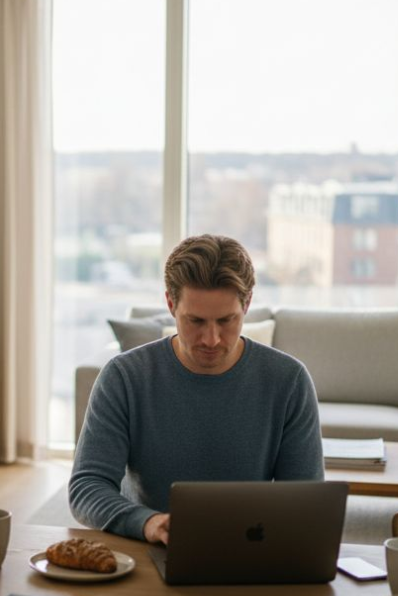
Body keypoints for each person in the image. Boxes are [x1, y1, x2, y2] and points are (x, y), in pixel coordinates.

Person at [69, 234, 323, 545]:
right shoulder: (124, 377)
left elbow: (304, 502)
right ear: (170, 304)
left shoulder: (289, 380)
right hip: (150, 547)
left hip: (252, 551)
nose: (211, 339)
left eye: (226, 320)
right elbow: (87, 487)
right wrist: (148, 522)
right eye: (196, 321)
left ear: (247, 305)